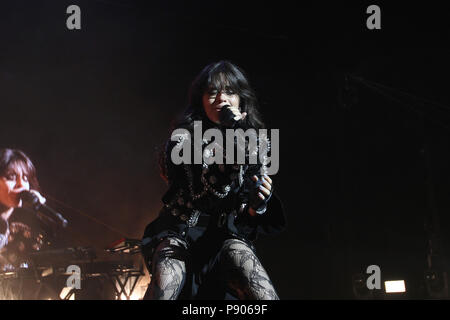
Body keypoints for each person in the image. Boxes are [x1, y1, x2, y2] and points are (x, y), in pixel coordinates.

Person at [141, 61, 286, 300]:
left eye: (230, 91)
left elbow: (245, 216)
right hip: (181, 232)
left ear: (241, 100)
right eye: (212, 92)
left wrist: (257, 203)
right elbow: (201, 197)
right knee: (166, 285)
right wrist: (229, 159)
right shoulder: (183, 140)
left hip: (223, 236)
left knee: (264, 294)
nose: (221, 98)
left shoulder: (255, 143)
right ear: (201, 100)